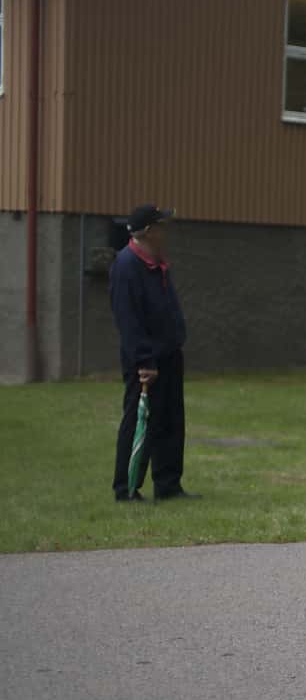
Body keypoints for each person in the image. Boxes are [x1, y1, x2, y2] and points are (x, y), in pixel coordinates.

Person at [110, 205, 193, 501]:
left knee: (170, 421)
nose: (166, 231)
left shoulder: (157, 262)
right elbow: (128, 319)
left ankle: (168, 485)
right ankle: (127, 488)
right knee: (140, 422)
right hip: (146, 360)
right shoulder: (126, 266)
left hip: (170, 354)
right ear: (148, 231)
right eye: (162, 226)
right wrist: (144, 359)